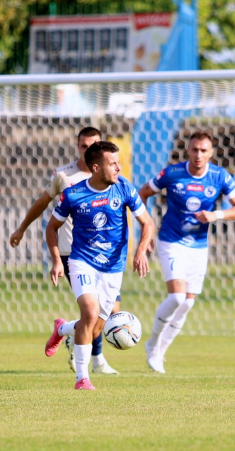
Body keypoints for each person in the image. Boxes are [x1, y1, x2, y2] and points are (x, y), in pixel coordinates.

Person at [43, 141, 155, 390]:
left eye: (119, 162)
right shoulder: (73, 194)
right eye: (113, 163)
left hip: (113, 269)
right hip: (82, 262)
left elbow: (148, 223)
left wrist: (141, 250)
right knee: (90, 313)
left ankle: (62, 329)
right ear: (96, 167)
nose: (118, 167)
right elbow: (51, 228)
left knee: (94, 328)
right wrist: (55, 261)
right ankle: (82, 378)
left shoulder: (124, 188)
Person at [10, 127, 120, 375]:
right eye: (83, 145)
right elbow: (42, 203)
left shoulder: (112, 177)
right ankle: (97, 360)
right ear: (78, 146)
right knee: (91, 310)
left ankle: (66, 331)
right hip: (74, 252)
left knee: (111, 310)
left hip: (106, 255)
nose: (87, 149)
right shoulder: (64, 175)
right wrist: (21, 229)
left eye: (93, 144)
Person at [138, 131, 235, 374]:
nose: (198, 154)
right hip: (171, 240)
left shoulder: (220, 177)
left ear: (211, 153)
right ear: (188, 151)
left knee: (187, 303)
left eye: (203, 150)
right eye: (194, 149)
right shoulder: (172, 173)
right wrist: (146, 232)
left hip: (198, 245)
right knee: (177, 297)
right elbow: (143, 194)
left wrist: (216, 215)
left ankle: (160, 353)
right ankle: (152, 343)